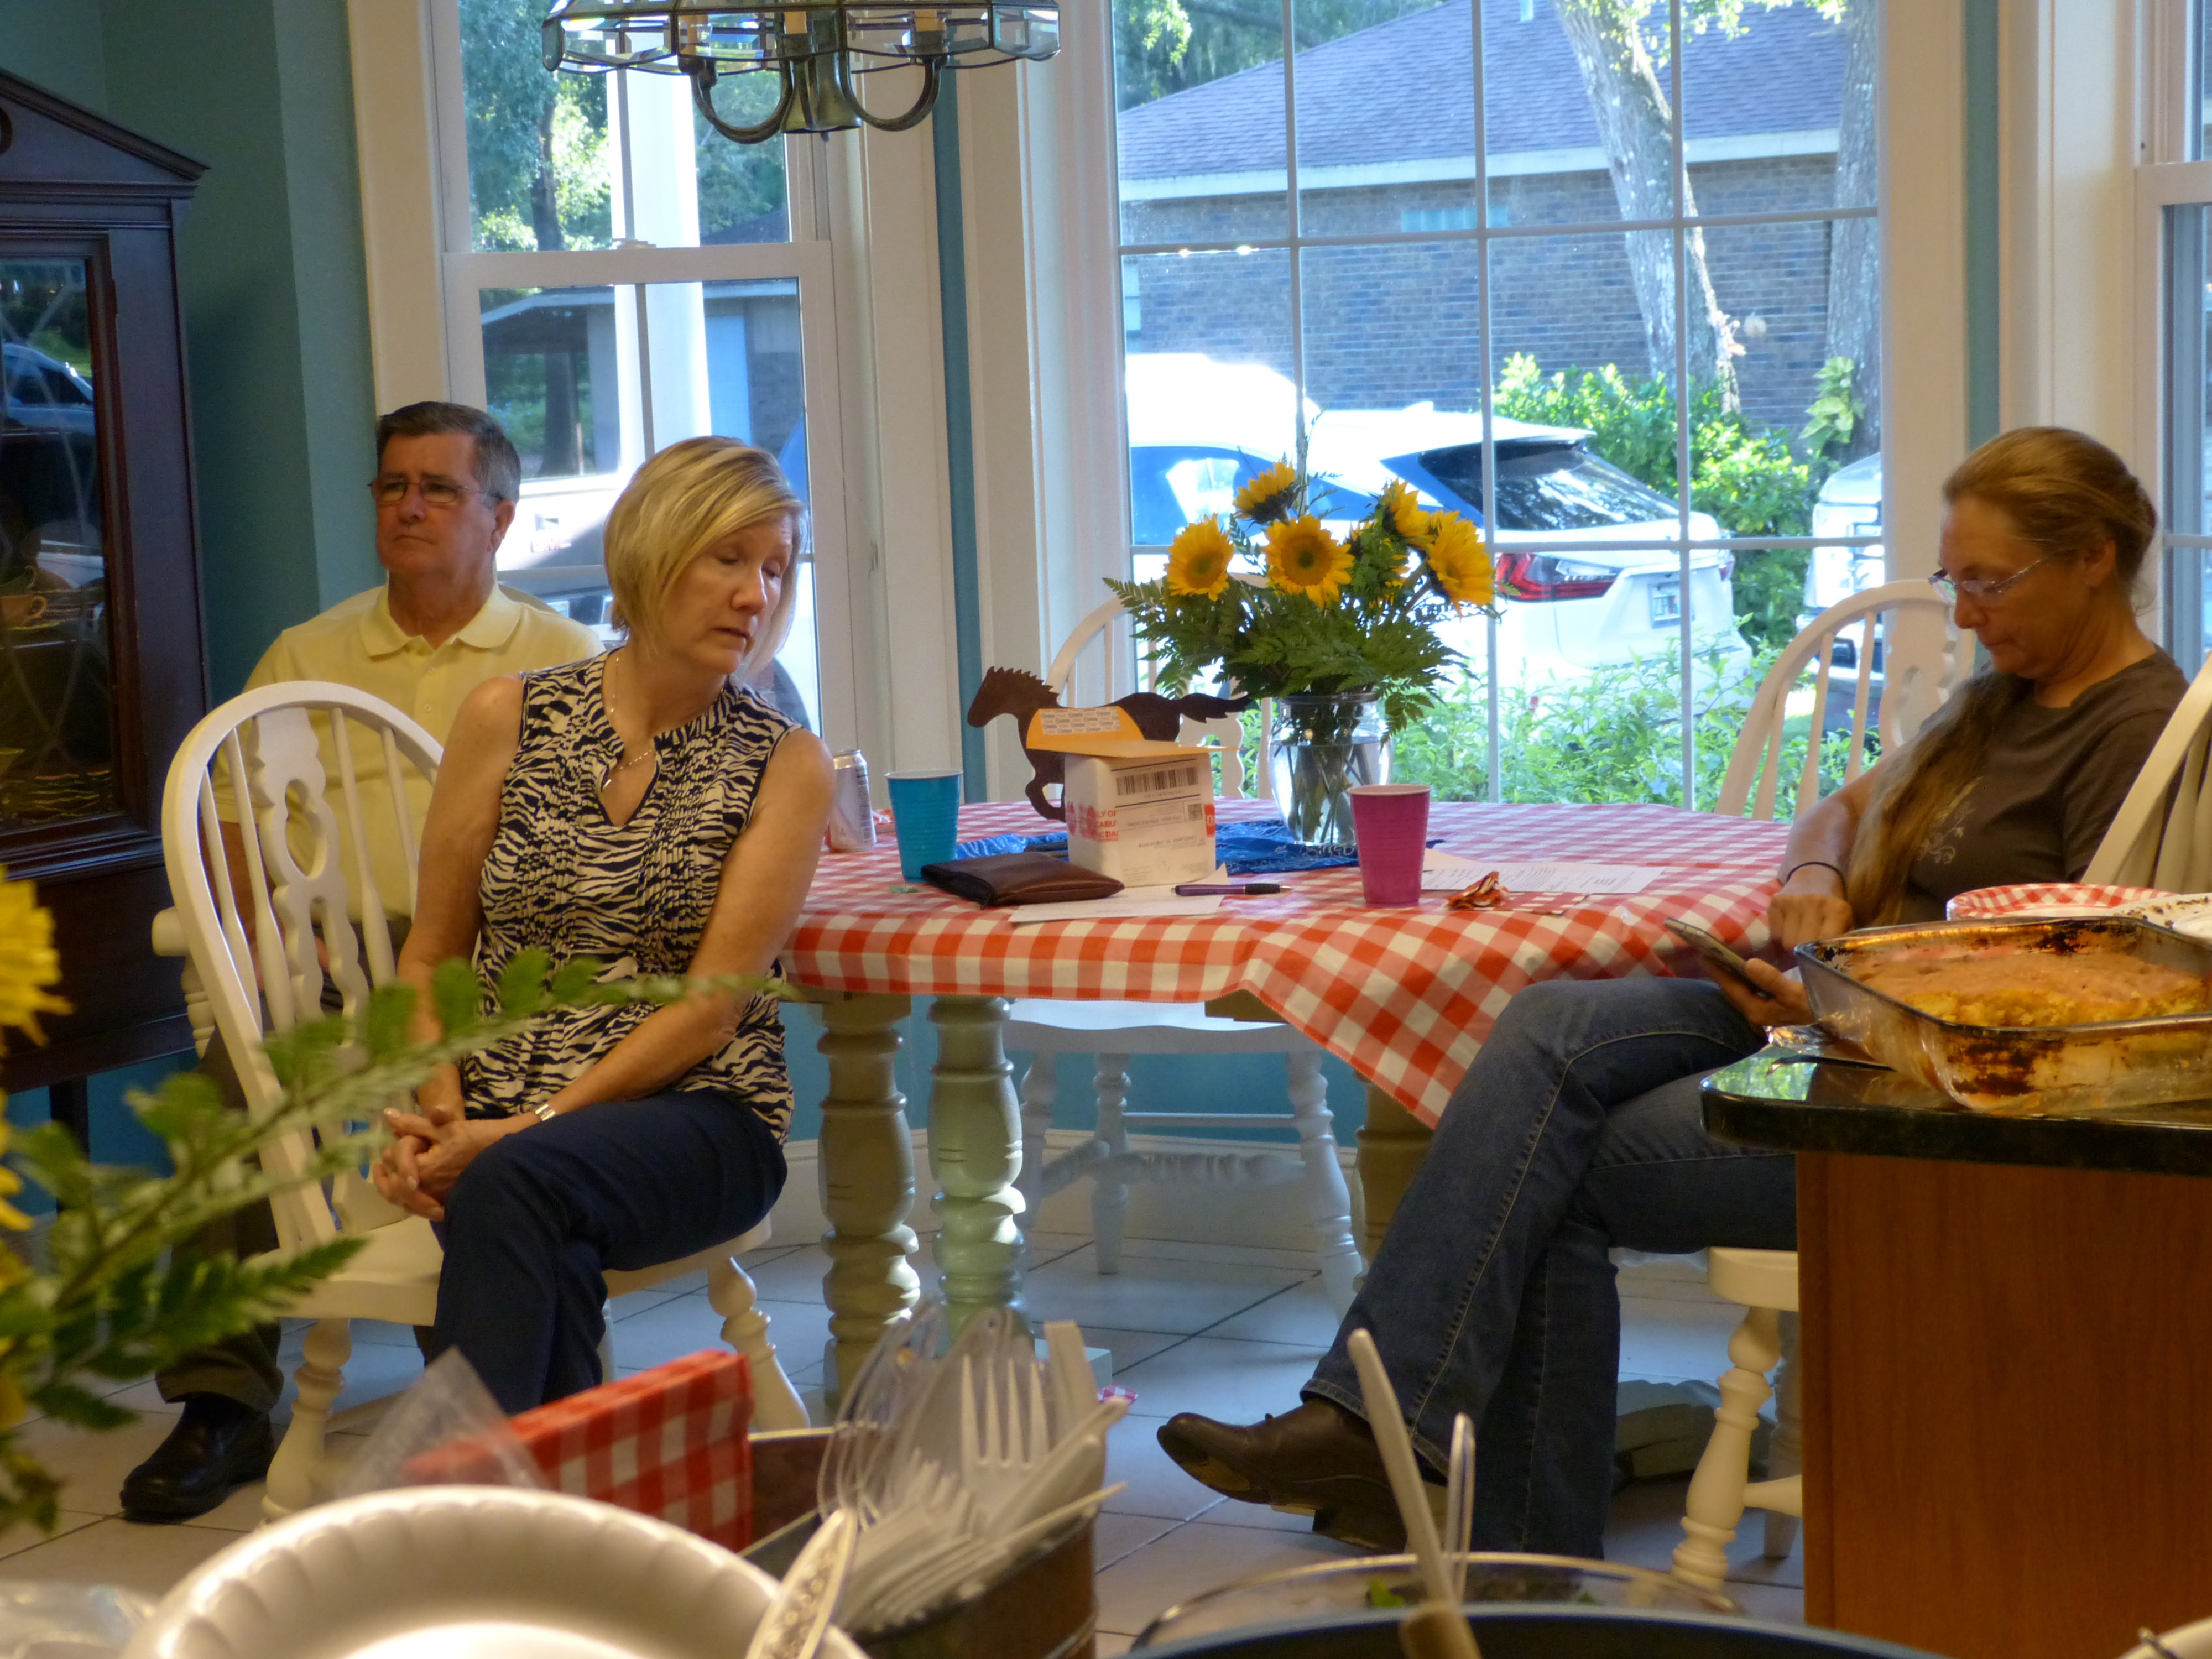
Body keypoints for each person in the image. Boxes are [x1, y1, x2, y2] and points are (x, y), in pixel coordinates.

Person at [1155, 426, 2192, 1558]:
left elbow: (2070, 996)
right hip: (1836, 1023)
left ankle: (1477, 1523)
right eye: (1956, 582)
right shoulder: (2004, 699)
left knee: (1539, 1172)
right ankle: (1399, 1447)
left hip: (1919, 1103)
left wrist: (1841, 1007)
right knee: (1546, 1022)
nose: (1966, 615)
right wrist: (1811, 879)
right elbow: (1835, 810)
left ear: (2092, 557)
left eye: (1989, 582)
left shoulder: (2134, 731)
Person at [120, 403, 599, 1522]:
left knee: (475, 1095)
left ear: (501, 518)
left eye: (439, 488)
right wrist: (266, 952)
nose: (409, 507)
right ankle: (221, 1402)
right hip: (331, 958)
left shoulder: (562, 658)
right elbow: (231, 826)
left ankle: (479, 1381)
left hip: (490, 967)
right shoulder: (308, 654)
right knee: (229, 1103)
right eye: (393, 487)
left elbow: (592, 845)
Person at [368, 436, 832, 1413]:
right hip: (501, 1120)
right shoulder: (507, 717)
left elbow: (711, 1011)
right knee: (538, 1233)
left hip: (701, 1117)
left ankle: (467, 1490)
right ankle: (556, 1499)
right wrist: (447, 1122)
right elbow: (431, 955)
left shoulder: (786, 762)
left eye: (775, 570)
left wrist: (514, 1134)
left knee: (511, 1185)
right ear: (653, 553)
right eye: (729, 558)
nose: (756, 595)